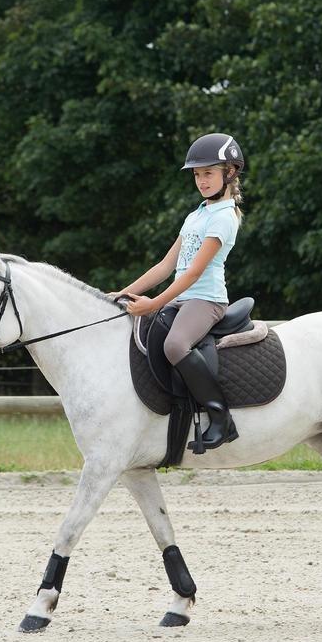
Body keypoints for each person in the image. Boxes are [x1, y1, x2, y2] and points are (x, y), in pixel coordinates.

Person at [112, 132, 245, 451]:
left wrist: (154, 303)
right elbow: (165, 266)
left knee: (175, 345)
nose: (201, 180)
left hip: (206, 300)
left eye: (208, 173)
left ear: (229, 173)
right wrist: (121, 293)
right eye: (198, 175)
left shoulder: (225, 218)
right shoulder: (196, 215)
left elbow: (196, 272)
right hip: (183, 298)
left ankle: (220, 417)